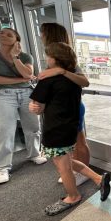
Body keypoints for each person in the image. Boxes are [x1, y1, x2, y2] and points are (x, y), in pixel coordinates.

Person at [29, 42, 111, 215]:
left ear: (54, 59)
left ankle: (73, 196)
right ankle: (98, 178)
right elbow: (85, 82)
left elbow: (38, 107)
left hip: (55, 130)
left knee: (62, 166)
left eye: (48, 56)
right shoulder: (73, 77)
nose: (46, 59)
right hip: (69, 128)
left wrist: (34, 107)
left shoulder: (47, 79)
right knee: (66, 161)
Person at [0, 28, 47, 184]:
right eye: (1, 33)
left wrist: (14, 57)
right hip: (3, 95)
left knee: (33, 126)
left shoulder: (24, 56)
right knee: (4, 130)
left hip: (26, 93)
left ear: (17, 40)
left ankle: (35, 154)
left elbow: (27, 74)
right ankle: (0, 168)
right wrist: (22, 79)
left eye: (9, 34)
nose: (2, 35)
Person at [33, 22, 91, 186]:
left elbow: (85, 82)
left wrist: (62, 71)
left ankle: (83, 173)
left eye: (42, 33)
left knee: (79, 141)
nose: (40, 36)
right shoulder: (53, 59)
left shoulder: (66, 60)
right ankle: (74, 172)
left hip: (72, 109)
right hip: (60, 110)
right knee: (68, 146)